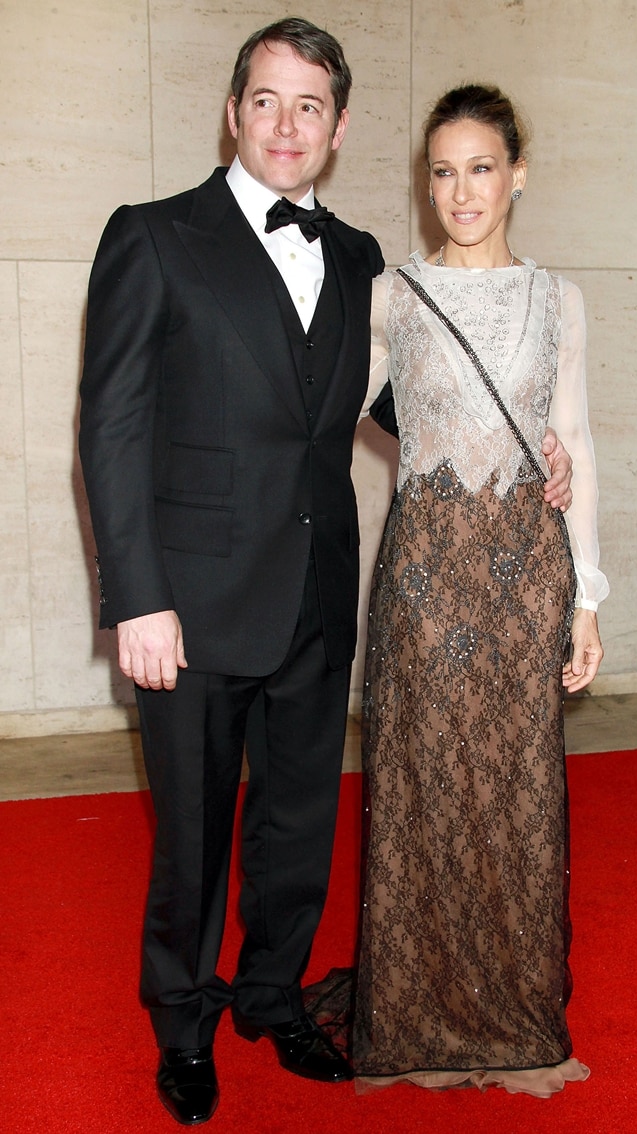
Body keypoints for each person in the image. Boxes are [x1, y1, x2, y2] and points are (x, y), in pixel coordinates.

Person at [79, 17, 573, 1122]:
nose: (287, 123)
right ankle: (185, 1023)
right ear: (233, 110)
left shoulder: (355, 257)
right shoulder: (154, 236)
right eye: (266, 99)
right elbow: (109, 429)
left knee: (299, 822)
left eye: (310, 105)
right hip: (191, 606)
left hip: (320, 590)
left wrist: (523, 434)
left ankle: (272, 998)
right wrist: (136, 598)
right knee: (195, 837)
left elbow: (386, 396)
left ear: (340, 127)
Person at [352, 84, 608, 1097]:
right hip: (425, 574)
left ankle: (504, 1006)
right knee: (421, 788)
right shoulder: (390, 293)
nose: (461, 190)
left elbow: (578, 441)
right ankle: (417, 1009)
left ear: (517, 173)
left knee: (512, 793)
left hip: (524, 575)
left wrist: (586, 598)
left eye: (481, 167)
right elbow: (337, 402)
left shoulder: (558, 298)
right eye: (443, 170)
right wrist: (428, 437)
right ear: (428, 182)